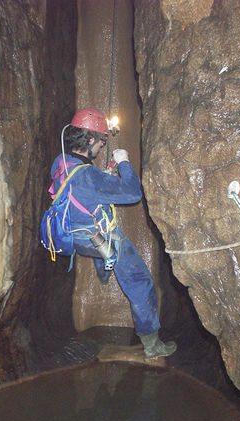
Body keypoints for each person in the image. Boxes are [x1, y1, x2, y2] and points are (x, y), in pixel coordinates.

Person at [50, 107, 176, 359]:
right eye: (101, 141)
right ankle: (152, 344)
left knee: (99, 247)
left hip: (72, 237)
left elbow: (79, 190)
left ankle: (103, 269)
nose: (101, 146)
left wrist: (103, 180)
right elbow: (132, 193)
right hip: (98, 239)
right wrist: (123, 162)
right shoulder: (88, 176)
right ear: (89, 140)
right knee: (140, 282)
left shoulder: (61, 162)